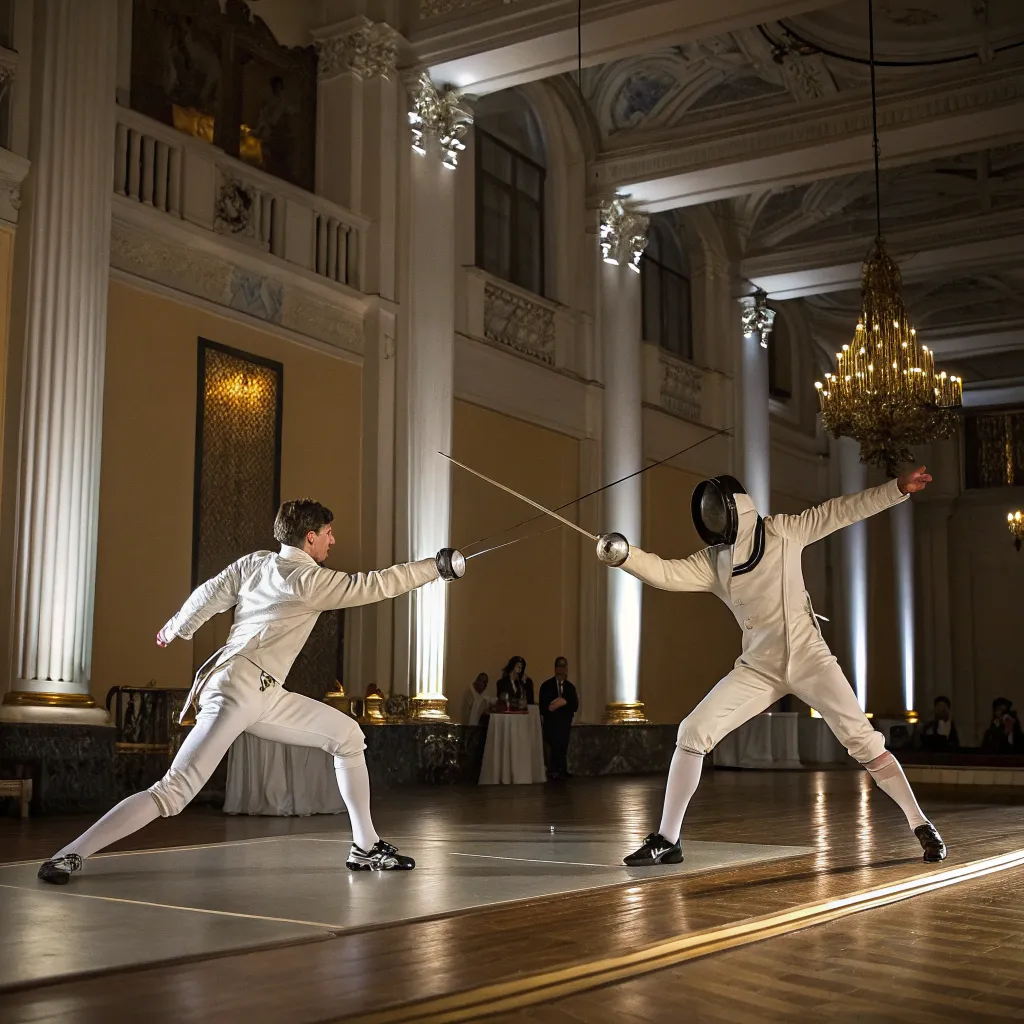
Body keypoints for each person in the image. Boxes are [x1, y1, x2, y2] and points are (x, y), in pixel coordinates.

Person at [37, 499, 466, 884]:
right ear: (311, 536)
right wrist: (436, 567)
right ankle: (69, 854)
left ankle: (365, 846)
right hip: (239, 687)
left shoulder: (256, 563)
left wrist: (178, 626)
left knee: (349, 737)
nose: (334, 540)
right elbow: (375, 584)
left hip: (265, 691)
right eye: (328, 533)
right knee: (173, 792)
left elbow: (209, 593)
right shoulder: (307, 581)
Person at [595, 466, 947, 866]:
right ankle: (668, 839)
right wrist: (625, 556)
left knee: (864, 742)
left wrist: (895, 489)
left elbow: (842, 511)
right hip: (758, 667)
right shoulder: (715, 562)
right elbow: (666, 573)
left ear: (735, 510)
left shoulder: (783, 531)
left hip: (810, 658)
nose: (713, 522)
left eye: (717, 512)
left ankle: (921, 824)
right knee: (692, 731)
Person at [539, 657, 578, 779]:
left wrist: (564, 702)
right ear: (555, 668)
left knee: (563, 747)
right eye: (559, 666)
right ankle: (553, 771)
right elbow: (543, 706)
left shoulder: (570, 688)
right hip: (551, 723)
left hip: (564, 723)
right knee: (553, 747)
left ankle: (562, 770)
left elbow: (575, 705)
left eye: (564, 666)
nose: (562, 668)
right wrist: (553, 707)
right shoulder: (546, 685)